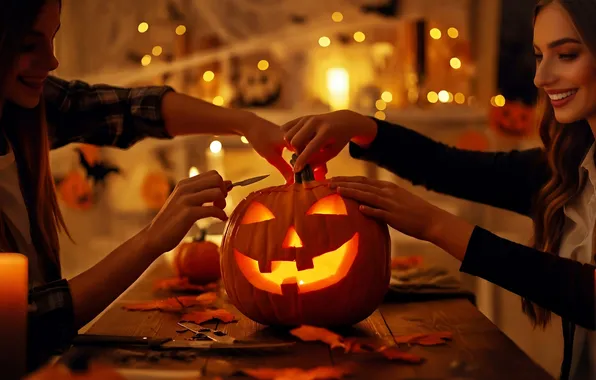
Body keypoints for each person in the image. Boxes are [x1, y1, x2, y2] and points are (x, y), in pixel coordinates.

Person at [282, 1, 596, 379]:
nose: (541, 77)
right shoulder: (570, 165)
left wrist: (434, 225)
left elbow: (586, 293)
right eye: (538, 55)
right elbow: (451, 167)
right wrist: (360, 126)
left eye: (566, 55)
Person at [0, 0, 292, 372]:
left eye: (53, 39)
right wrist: (150, 240)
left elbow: (127, 110)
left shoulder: (24, 109)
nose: (52, 61)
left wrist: (246, 124)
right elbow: (32, 320)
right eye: (28, 45)